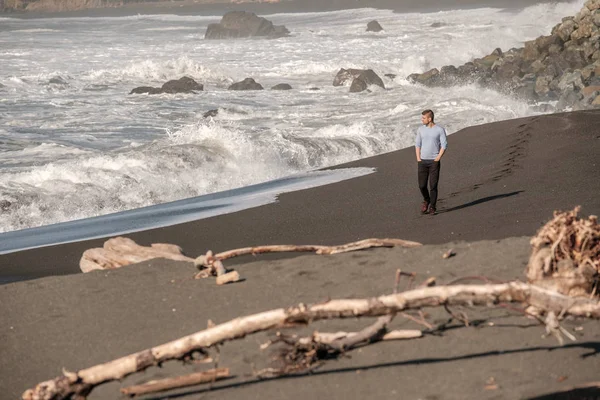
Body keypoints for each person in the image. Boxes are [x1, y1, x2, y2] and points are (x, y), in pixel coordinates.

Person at [415, 109, 447, 215]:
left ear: (430, 118)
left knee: (433, 185)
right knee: (422, 185)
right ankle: (426, 200)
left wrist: (438, 158)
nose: (422, 120)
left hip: (434, 162)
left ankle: (433, 207)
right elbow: (417, 145)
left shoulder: (439, 129)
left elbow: (444, 145)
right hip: (422, 161)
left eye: (423, 118)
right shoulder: (420, 129)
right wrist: (418, 159)